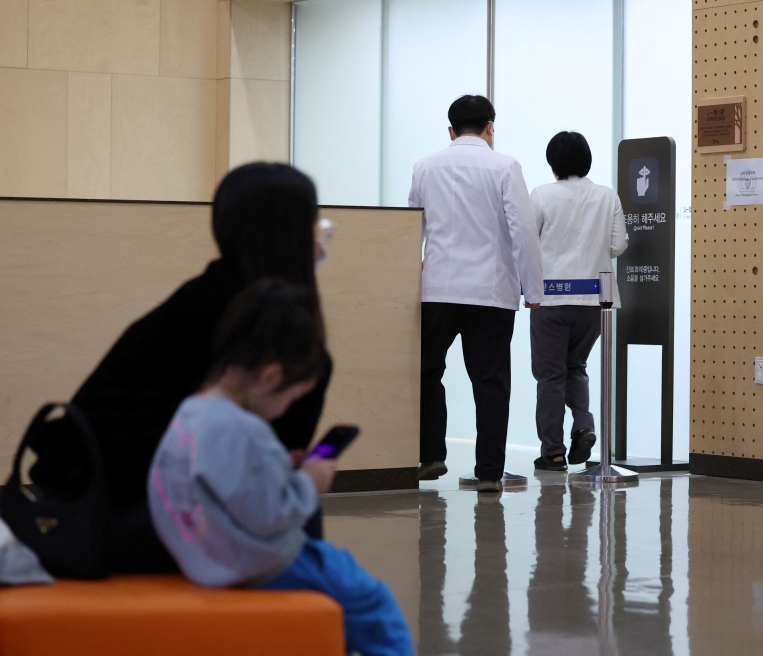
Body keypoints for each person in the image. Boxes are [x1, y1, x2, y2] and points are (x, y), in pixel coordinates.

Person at [27, 163, 333, 573]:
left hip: (74, 496)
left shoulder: (204, 295)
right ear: (291, 233)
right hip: (118, 514)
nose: (323, 236)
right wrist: (314, 470)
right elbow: (276, 466)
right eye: (315, 223)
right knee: (303, 510)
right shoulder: (271, 329)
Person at [149, 281, 413, 656]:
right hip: (260, 563)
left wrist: (275, 470)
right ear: (271, 377)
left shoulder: (190, 413)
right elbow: (273, 513)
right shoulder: (247, 431)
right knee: (372, 602)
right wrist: (309, 481)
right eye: (291, 397)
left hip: (202, 559)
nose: (286, 408)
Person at [408, 94, 545, 493]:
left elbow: (410, 231)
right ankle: (488, 472)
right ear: (490, 127)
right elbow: (522, 231)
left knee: (427, 372)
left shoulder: (424, 168)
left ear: (450, 130)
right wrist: (532, 288)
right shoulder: (504, 166)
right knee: (490, 382)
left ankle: (431, 453)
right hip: (490, 292)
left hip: (435, 290)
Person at [528, 131, 627, 471]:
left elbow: (527, 244)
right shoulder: (606, 196)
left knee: (550, 376)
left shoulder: (541, 195)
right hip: (594, 302)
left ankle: (553, 451)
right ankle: (583, 423)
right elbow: (617, 247)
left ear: (552, 163)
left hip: (551, 299)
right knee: (576, 366)